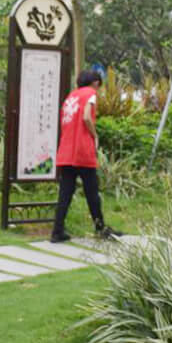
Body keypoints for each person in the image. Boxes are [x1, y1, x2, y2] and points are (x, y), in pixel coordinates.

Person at [50, 69, 120, 243]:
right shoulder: (90, 93)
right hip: (81, 150)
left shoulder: (70, 97)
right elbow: (87, 117)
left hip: (66, 151)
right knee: (92, 192)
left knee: (65, 192)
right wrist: (95, 135)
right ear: (95, 82)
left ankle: (57, 231)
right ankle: (100, 228)